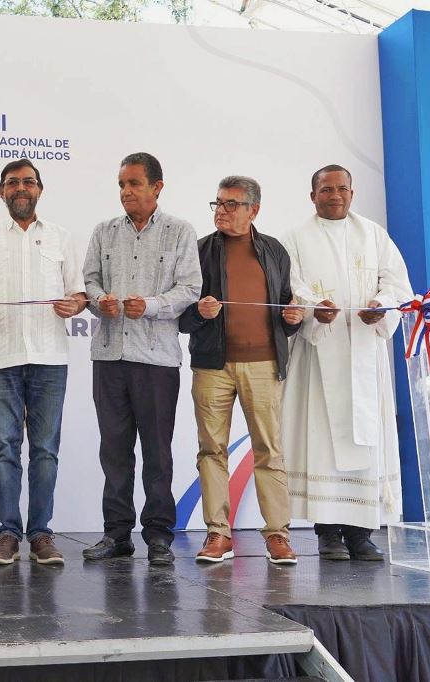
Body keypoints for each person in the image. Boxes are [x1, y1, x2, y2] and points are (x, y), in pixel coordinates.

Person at [282, 164, 412, 561]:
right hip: (319, 356)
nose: (334, 195)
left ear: (352, 193)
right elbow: (289, 287)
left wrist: (380, 306)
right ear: (313, 195)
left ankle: (361, 535)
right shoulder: (295, 238)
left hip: (364, 354)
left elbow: (396, 284)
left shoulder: (373, 235)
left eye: (341, 189)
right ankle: (328, 534)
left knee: (366, 444)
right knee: (322, 442)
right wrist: (312, 310)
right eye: (326, 189)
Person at [82, 152, 201, 566]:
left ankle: (159, 536)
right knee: (114, 451)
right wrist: (101, 301)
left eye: (134, 183)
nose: (126, 191)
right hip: (109, 356)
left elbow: (190, 289)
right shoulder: (104, 232)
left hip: (156, 360)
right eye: (121, 184)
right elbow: (90, 282)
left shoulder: (179, 232)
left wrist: (149, 305)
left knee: (157, 452)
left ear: (157, 186)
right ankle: (116, 534)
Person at [0, 159, 87, 565]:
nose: (21, 188)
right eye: (13, 182)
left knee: (46, 450)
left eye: (29, 182)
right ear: (2, 191)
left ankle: (40, 535)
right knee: (5, 448)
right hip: (2, 357)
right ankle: (7, 533)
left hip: (50, 358)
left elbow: (79, 293)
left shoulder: (61, 237)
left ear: (40, 189)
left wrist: (75, 305)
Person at [179, 176, 303, 565]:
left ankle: (278, 534)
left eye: (231, 204)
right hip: (211, 366)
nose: (221, 211)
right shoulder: (198, 251)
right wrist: (198, 313)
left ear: (254, 210)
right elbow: (180, 316)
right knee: (211, 450)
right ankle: (218, 534)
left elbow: (285, 308)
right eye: (218, 203)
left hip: (264, 365)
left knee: (268, 449)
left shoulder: (274, 251)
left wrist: (293, 319)